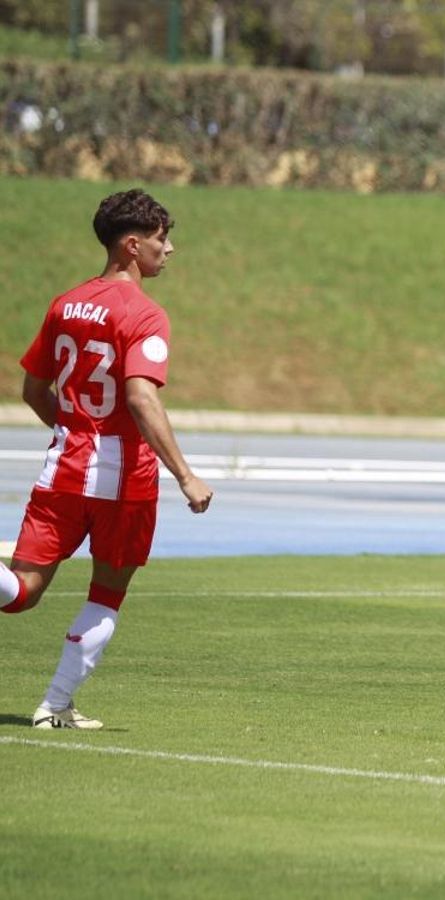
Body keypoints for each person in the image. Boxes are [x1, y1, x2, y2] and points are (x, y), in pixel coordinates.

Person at [2, 188, 214, 729]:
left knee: (21, 592)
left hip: (63, 468)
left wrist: (75, 431)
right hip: (125, 482)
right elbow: (141, 397)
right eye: (162, 239)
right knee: (106, 595)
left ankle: (57, 707)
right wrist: (186, 476)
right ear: (132, 245)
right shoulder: (145, 314)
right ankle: (55, 705)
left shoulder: (65, 303)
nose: (170, 249)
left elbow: (33, 390)